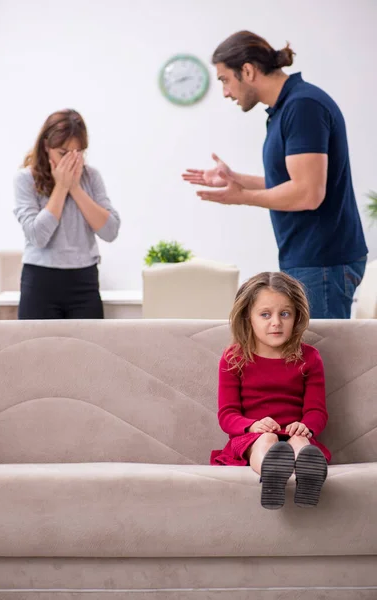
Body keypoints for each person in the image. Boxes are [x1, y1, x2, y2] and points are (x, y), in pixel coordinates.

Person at [182, 31, 368, 319]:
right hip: (312, 259)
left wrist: (241, 198)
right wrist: (237, 179)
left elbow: (308, 193)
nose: (225, 92)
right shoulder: (287, 108)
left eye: (224, 80)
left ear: (247, 70)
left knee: (321, 357)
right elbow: (296, 182)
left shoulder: (303, 106)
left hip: (322, 261)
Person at [210, 271, 330, 510]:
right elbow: (227, 414)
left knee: (298, 440)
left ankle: (308, 477)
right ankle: (272, 473)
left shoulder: (309, 358)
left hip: (294, 432)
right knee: (268, 439)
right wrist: (252, 425)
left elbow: (317, 411)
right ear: (248, 318)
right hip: (252, 437)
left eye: (284, 314)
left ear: (296, 317)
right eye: (265, 314)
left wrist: (306, 426)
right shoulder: (234, 358)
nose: (276, 322)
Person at [14, 109, 120, 319]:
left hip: (84, 279)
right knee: (38, 350)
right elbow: (38, 236)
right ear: (46, 147)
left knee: (87, 350)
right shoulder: (25, 179)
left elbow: (110, 231)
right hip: (40, 280)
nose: (71, 161)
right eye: (63, 153)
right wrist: (61, 187)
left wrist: (75, 188)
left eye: (78, 152)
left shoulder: (91, 177)